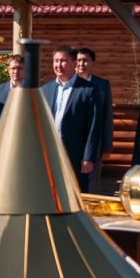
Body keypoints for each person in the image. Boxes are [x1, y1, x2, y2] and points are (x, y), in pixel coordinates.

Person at [40, 46, 102, 192]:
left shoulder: (88, 89)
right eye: (55, 61)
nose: (58, 65)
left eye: (63, 61)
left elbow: (94, 125)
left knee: (75, 193)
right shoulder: (46, 89)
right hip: (50, 150)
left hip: (76, 153)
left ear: (74, 63)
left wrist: (88, 156)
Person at [75, 48, 114, 189]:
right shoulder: (69, 84)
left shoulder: (102, 85)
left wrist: (107, 146)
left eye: (85, 60)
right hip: (72, 141)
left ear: (92, 63)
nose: (81, 64)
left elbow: (107, 115)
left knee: (92, 183)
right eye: (79, 60)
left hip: (94, 143)